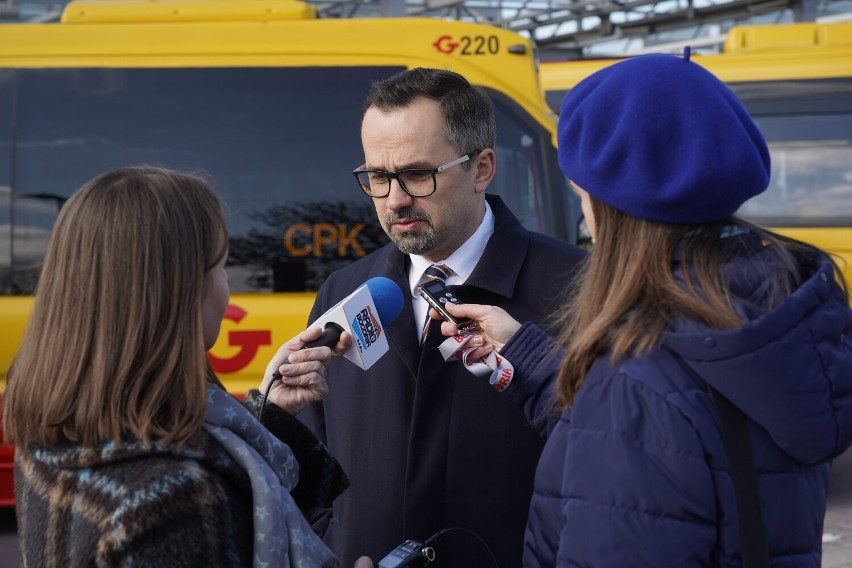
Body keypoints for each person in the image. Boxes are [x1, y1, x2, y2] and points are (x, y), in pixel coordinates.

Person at [434, 50, 852, 566]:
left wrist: (609, 388)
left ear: (611, 207)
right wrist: (533, 359)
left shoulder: (635, 384)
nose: (586, 222)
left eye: (582, 196)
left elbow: (643, 424)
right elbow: (674, 434)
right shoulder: (766, 322)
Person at [298, 67, 587, 566]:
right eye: (377, 177)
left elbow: (612, 467)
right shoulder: (341, 291)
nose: (395, 199)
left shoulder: (578, 287)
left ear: (482, 168)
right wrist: (331, 548)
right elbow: (311, 464)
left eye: (416, 174)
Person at [3, 166, 353, 567]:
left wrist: (266, 416)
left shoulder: (50, 440)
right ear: (179, 295)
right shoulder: (174, 504)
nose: (226, 286)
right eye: (222, 266)